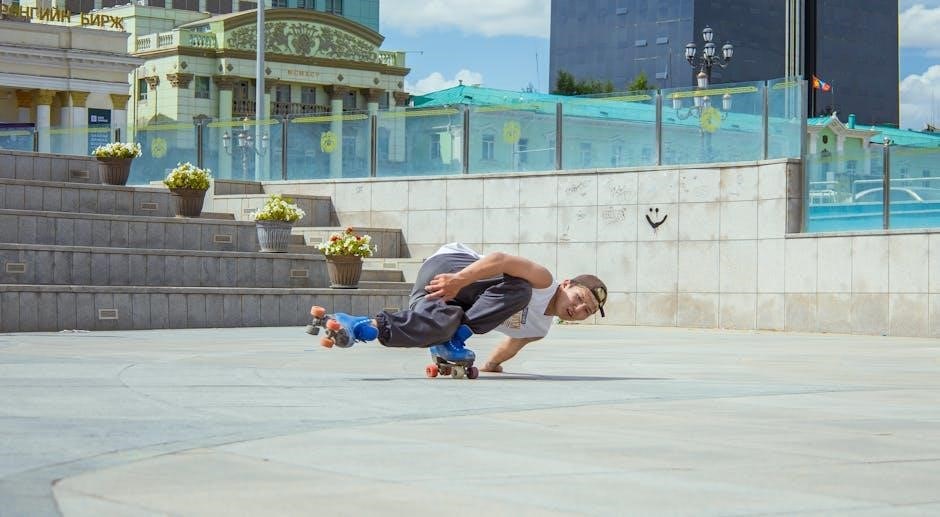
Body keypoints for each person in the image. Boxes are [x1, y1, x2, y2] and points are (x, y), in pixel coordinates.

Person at [309, 242, 608, 373]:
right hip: (451, 269)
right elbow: (500, 259)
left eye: (588, 311)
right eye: (579, 298)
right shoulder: (544, 280)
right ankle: (453, 337)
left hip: (442, 298)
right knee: (520, 288)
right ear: (566, 284)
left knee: (440, 327)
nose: (579, 308)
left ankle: (357, 326)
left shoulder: (539, 329)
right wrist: (458, 280)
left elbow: (510, 346)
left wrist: (492, 365)